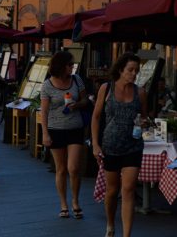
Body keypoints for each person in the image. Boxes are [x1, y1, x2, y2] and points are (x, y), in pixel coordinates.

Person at [91, 52, 148, 237]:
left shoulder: (140, 92)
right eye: (130, 70)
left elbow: (144, 116)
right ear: (121, 69)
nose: (133, 74)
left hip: (133, 145)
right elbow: (96, 117)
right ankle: (110, 224)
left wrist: (144, 122)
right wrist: (95, 145)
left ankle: (126, 234)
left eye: (136, 71)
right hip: (111, 145)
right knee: (112, 190)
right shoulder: (106, 89)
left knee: (129, 189)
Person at [40, 50, 88, 220]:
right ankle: (63, 204)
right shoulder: (47, 85)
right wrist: (45, 134)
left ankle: (75, 201)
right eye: (69, 64)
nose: (72, 67)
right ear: (61, 66)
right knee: (61, 169)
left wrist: (77, 104)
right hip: (56, 129)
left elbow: (85, 100)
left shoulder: (77, 80)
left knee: (74, 168)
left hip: (75, 128)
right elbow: (44, 112)